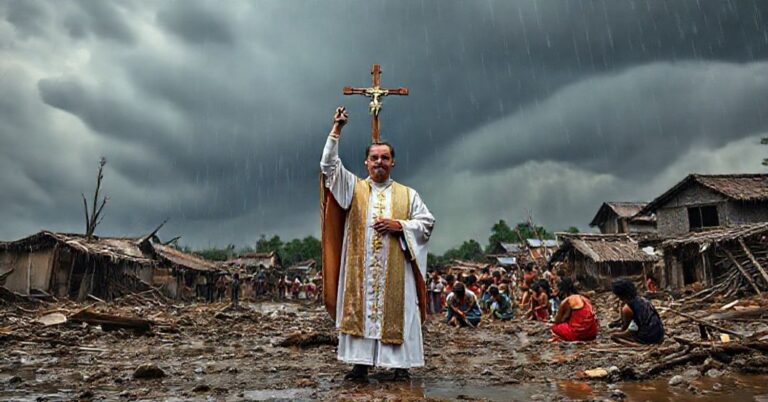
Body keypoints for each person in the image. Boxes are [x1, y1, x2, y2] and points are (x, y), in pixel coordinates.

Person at [320, 106, 435, 382]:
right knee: (361, 311)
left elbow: (427, 222)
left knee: (399, 312)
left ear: (393, 162)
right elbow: (328, 166)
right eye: (374, 158)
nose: (379, 162)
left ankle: (400, 366)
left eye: (385, 158)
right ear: (366, 163)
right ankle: (360, 365)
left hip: (396, 272)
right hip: (360, 272)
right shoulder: (353, 187)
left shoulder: (408, 195)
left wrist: (402, 226)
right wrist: (337, 129)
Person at [610, 279, 664, 345]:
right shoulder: (641, 300)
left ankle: (637, 345)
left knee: (613, 337)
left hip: (649, 337)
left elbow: (632, 330)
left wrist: (618, 334)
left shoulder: (630, 307)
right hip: (659, 333)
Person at [550, 278, 598, 342]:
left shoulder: (566, 301)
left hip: (580, 335)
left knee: (554, 328)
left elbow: (557, 321)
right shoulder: (584, 298)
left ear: (562, 290)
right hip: (593, 333)